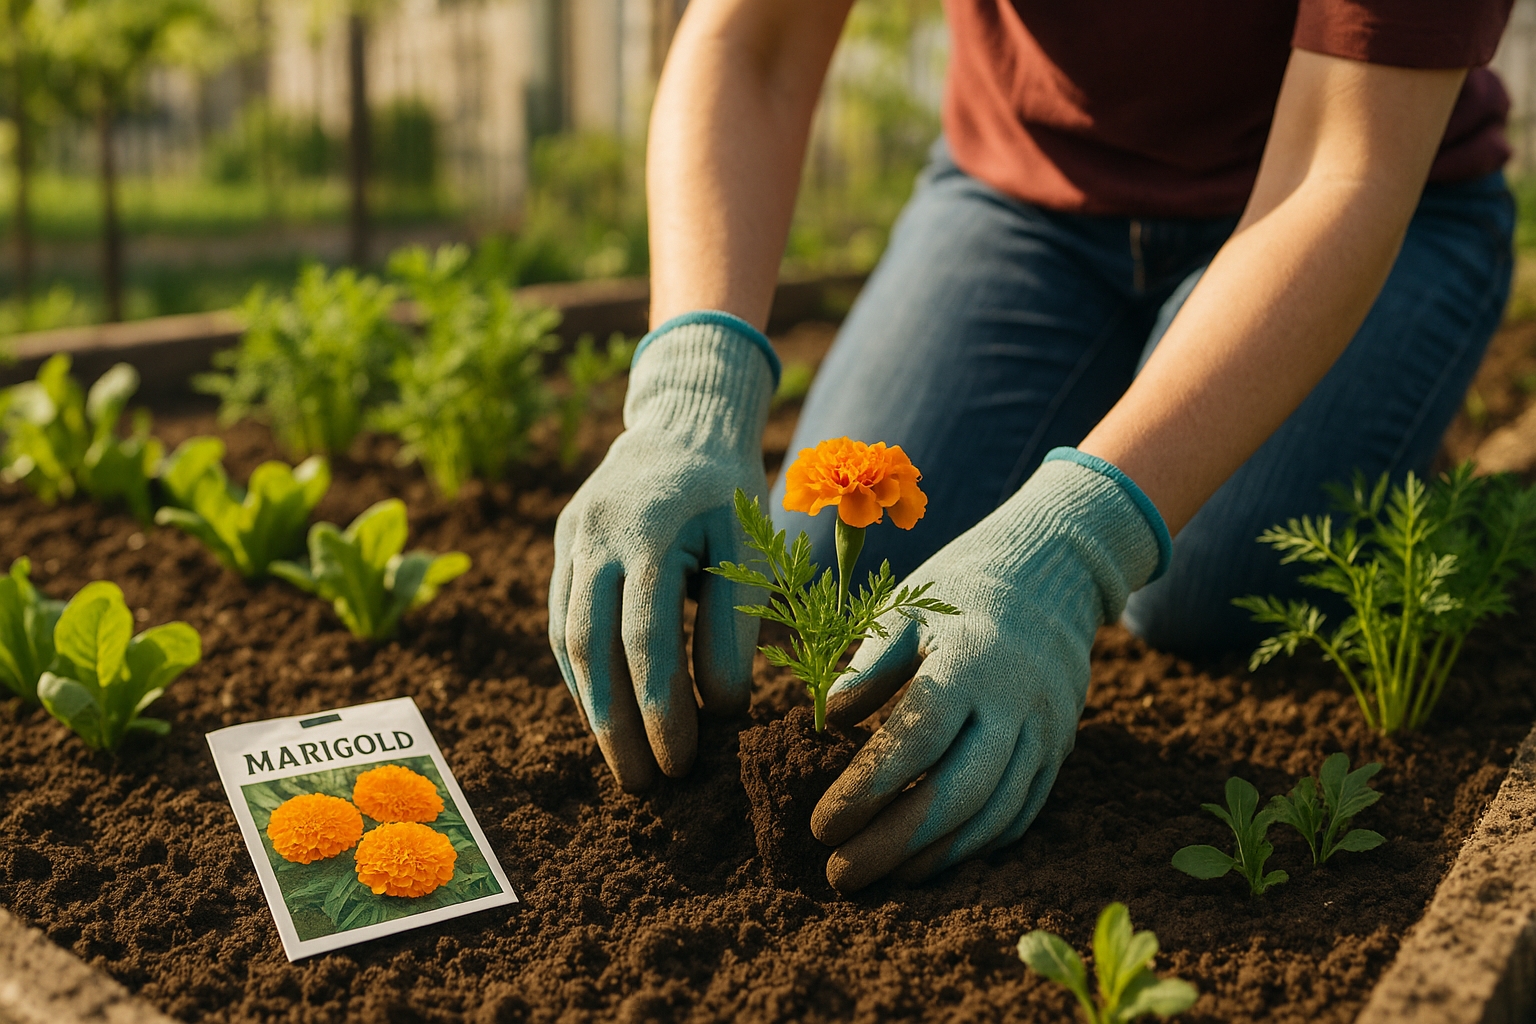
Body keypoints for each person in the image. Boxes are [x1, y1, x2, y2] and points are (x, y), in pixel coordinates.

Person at [548, 0, 1516, 892]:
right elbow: (750, 43)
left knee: (1200, 587)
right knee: (835, 556)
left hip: (1358, 192)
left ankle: (1384, 423)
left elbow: (1337, 167)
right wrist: (690, 389)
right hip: (1026, 200)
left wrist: (1078, 538)